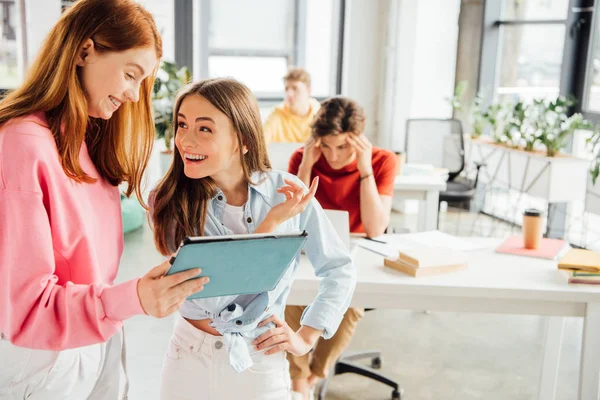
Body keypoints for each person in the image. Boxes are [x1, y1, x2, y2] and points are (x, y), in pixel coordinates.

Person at [0, 1, 208, 399]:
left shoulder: (86, 144)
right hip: (44, 358)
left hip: (99, 337)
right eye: (130, 75)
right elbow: (27, 311)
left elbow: (92, 275)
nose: (133, 95)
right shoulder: (23, 143)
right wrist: (133, 298)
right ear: (84, 51)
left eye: (141, 82)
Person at [150, 78, 357, 400]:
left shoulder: (287, 191)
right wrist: (271, 224)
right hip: (190, 356)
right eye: (182, 125)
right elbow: (216, 299)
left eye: (204, 129)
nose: (185, 140)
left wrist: (306, 338)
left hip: (260, 355)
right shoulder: (170, 200)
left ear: (243, 140)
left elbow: (339, 268)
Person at [286, 96, 397, 398]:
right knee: (288, 297)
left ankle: (313, 376)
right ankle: (299, 381)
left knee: (347, 305)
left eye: (344, 146)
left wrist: (365, 171)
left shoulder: (381, 161)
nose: (334, 156)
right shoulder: (304, 157)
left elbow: (375, 228)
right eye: (327, 145)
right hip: (310, 251)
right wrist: (307, 165)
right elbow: (289, 221)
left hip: (355, 255)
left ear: (358, 141)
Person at [263, 67, 321, 143]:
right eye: (287, 89)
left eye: (295, 88)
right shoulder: (277, 115)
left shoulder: (320, 114)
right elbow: (261, 141)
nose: (289, 94)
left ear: (308, 90)